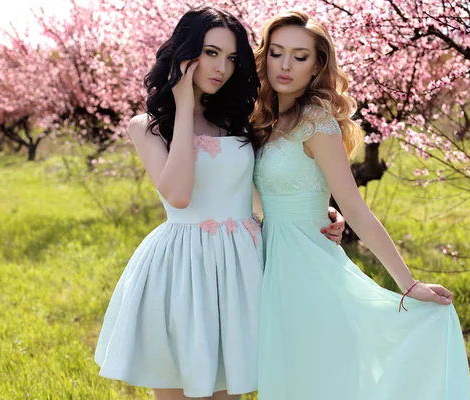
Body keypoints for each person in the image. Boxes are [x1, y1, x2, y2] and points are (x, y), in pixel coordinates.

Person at [94, 7, 343, 400]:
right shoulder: (148, 127)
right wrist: (184, 109)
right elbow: (177, 194)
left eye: (231, 58)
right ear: (184, 53)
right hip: (181, 266)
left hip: (241, 264)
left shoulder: (239, 119)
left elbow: (255, 183)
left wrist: (318, 212)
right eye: (211, 53)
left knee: (230, 387)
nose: (221, 68)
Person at [251, 10, 470, 400]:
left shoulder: (317, 123)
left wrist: (409, 284)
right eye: (277, 52)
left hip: (308, 264)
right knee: (284, 376)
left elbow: (354, 207)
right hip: (267, 260)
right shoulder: (260, 117)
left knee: (316, 376)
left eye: (300, 56)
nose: (285, 65)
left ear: (317, 65)